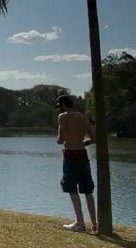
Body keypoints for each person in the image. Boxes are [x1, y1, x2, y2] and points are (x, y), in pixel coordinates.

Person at [56, 95, 97, 233]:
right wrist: (84, 142)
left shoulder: (63, 116)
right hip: (82, 155)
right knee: (87, 190)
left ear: (62, 105)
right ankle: (94, 223)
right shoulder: (83, 117)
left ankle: (80, 223)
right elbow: (93, 138)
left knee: (72, 188)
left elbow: (60, 140)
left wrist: (61, 138)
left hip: (70, 156)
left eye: (59, 106)